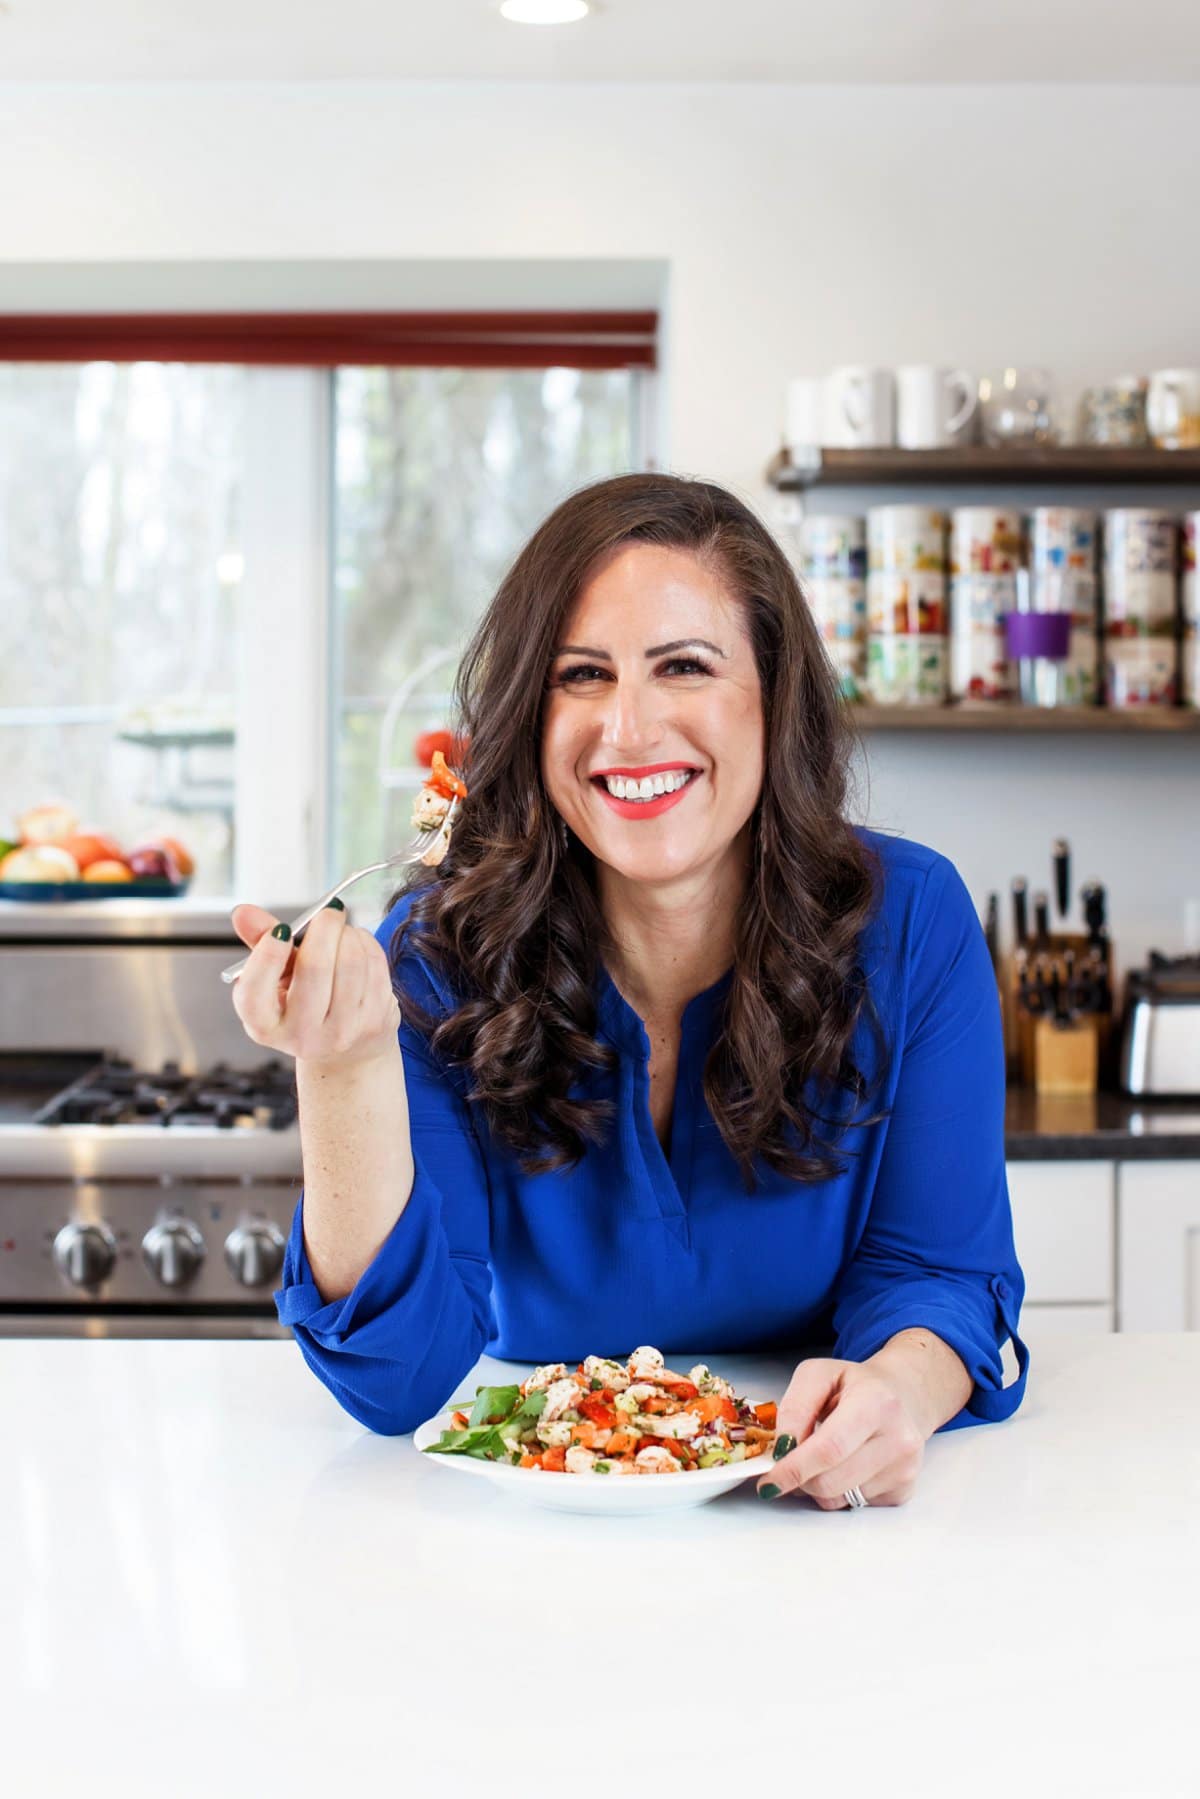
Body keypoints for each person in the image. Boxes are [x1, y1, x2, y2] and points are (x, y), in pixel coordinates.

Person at [230, 471, 1029, 1511]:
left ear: (773, 696)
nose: (632, 728)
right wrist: (339, 1066)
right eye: (583, 675)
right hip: (529, 1549)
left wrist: (898, 1390)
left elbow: (942, 1276)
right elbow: (397, 1380)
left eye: (684, 666)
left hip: (813, 1526)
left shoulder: (910, 919)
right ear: (530, 713)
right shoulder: (435, 952)